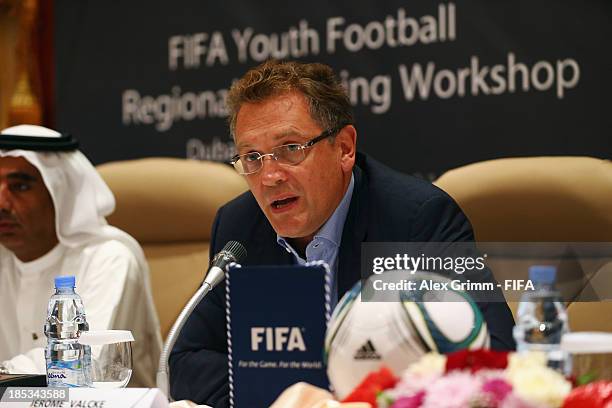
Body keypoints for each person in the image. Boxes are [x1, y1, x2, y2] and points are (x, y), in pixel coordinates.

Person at [169, 60, 516, 406]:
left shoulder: (415, 220)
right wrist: (298, 398)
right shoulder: (239, 227)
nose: (269, 177)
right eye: (253, 157)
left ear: (345, 149)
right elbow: (187, 360)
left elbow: (495, 355)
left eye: (290, 149)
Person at [0, 124, 162, 387]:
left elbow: (82, 364)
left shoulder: (109, 258)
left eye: (19, 187)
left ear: (60, 192)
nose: (2, 203)